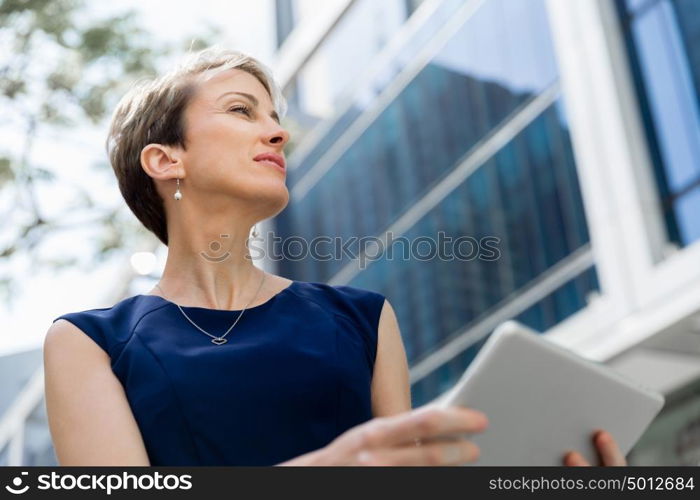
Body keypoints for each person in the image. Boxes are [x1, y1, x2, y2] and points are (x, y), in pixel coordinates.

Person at [43, 46, 626, 467]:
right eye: (243, 111)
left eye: (275, 118)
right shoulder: (88, 343)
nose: (277, 134)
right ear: (167, 160)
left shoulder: (363, 319)